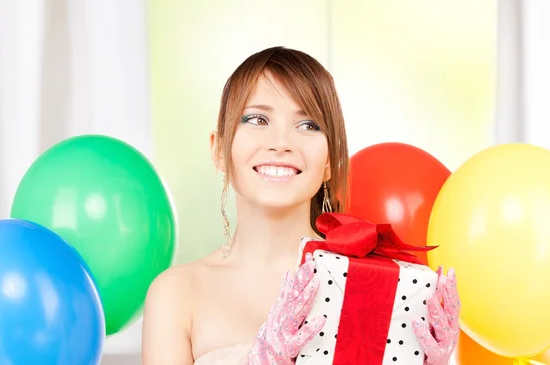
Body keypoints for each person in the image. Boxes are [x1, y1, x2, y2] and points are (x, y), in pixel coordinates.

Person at [141, 46, 460, 365]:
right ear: (219, 148)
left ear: (330, 161)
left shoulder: (372, 284)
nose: (281, 143)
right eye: (257, 119)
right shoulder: (175, 294)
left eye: (308, 124)